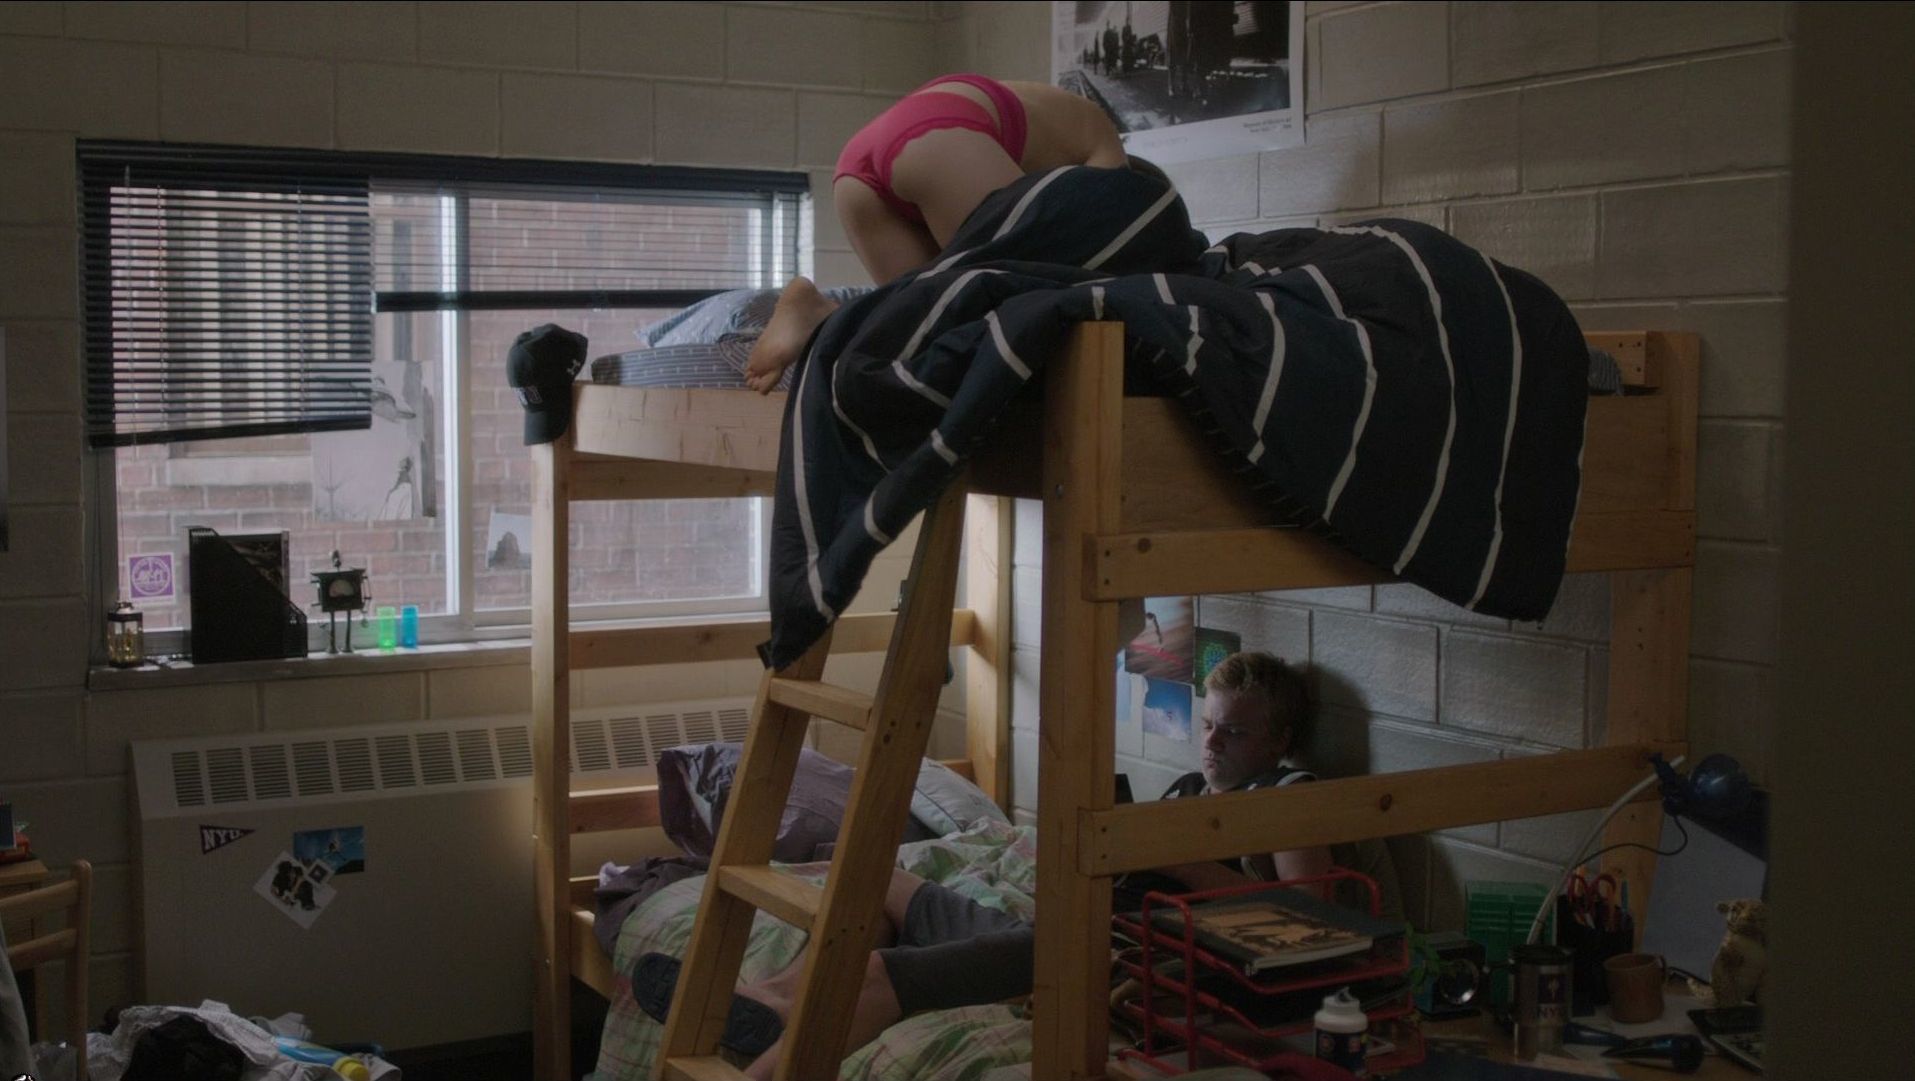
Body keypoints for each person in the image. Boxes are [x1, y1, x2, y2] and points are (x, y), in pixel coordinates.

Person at [639, 650, 1401, 1078]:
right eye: (1206, 724)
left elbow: (1317, 924)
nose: (1210, 742)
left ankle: (768, 1052)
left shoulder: (1288, 796)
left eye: (1232, 732)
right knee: (875, 891)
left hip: (1116, 960)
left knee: (873, 967)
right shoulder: (1188, 788)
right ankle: (763, 997)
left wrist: (1190, 865)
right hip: (1073, 929)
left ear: (1278, 742)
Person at [741, 73, 1141, 394]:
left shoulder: (1064, 124)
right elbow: (1107, 246)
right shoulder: (1111, 151)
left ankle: (823, 317)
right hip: (944, 132)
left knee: (920, 327)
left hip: (861, 166)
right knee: (1031, 302)